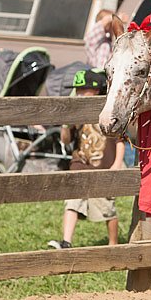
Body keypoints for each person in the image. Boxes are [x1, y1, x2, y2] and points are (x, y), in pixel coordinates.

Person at [48, 69, 125, 248]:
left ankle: (113, 244)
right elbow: (66, 140)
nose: (79, 94)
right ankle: (66, 242)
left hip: (103, 168)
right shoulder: (76, 111)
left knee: (107, 208)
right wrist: (66, 126)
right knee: (72, 202)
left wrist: (117, 164)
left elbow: (120, 140)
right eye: (77, 90)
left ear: (96, 91)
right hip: (79, 165)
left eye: (83, 90)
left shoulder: (109, 110)